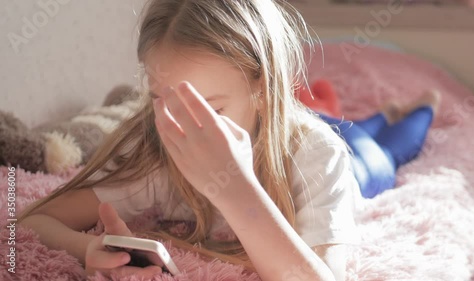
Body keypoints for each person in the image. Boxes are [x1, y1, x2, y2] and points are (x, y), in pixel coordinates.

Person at [18, 1, 361, 281]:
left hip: (354, 152)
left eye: (209, 110)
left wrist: (235, 189)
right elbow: (33, 221)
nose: (179, 126)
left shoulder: (317, 155)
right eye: (159, 99)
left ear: (263, 89)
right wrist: (86, 249)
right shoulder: (154, 150)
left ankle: (405, 113)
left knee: (382, 149)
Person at [297, 80, 441, 198]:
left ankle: (425, 107)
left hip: (363, 166)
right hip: (329, 129)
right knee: (356, 136)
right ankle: (386, 115)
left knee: (387, 152)